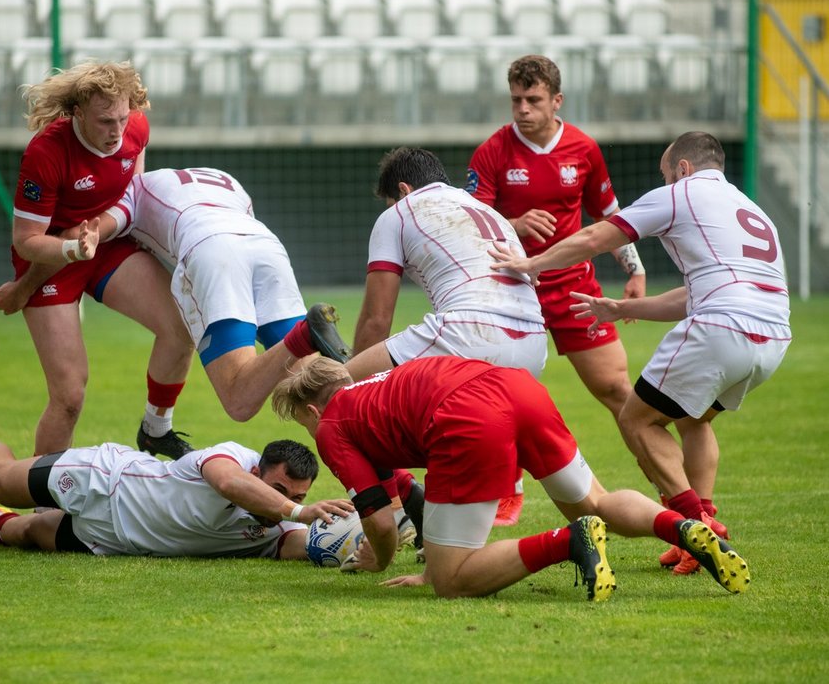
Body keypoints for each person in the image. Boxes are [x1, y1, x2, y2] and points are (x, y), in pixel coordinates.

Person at [489, 131, 792, 574]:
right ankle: (699, 522)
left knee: (636, 418)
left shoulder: (683, 193)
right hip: (773, 336)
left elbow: (596, 236)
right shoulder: (750, 208)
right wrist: (621, 308)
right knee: (694, 419)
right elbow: (696, 293)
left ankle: (696, 524)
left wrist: (531, 264)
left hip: (722, 325)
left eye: (665, 174)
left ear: (683, 169)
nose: (665, 182)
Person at [271, 356, 751, 600]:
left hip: (466, 417)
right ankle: (683, 527)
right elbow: (395, 482)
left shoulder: (333, 427)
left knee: (450, 581)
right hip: (517, 387)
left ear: (313, 410)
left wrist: (377, 560)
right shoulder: (373, 388)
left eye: (304, 423)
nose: (312, 432)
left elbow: (378, 525)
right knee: (597, 502)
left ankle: (570, 542)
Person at [0, 60, 195, 460]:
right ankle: (44, 508)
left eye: (122, 117)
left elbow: (133, 192)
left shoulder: (136, 127)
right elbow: (26, 240)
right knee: (69, 397)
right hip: (52, 256)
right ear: (77, 113)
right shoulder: (45, 153)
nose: (117, 131)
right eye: (105, 121)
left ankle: (156, 430)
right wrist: (69, 251)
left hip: (107, 244)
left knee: (181, 327)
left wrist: (118, 235)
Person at [345, 146, 548, 527]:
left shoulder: (399, 214)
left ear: (403, 190)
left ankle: (387, 516)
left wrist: (358, 376)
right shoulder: (488, 212)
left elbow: (376, 319)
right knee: (443, 422)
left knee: (339, 396)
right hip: (533, 345)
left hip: (470, 331)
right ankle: (468, 506)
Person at [73, 165, 353, 422]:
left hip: (212, 251)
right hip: (267, 246)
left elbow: (105, 226)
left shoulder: (135, 187)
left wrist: (86, 240)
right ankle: (366, 426)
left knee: (239, 399)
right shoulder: (223, 178)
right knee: (311, 387)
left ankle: (306, 334)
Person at [466, 54, 646, 429]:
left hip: (572, 288)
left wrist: (635, 270)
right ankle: (508, 491)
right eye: (516, 100)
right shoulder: (492, 151)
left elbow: (609, 218)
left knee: (617, 391)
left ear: (556, 101)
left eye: (533, 100)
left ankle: (674, 489)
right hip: (511, 290)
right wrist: (514, 223)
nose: (522, 109)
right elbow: (470, 225)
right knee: (498, 402)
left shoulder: (584, 149)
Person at [0, 421, 354, 559]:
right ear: (260, 470)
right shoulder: (233, 459)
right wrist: (296, 512)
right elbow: (229, 485)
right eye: (280, 491)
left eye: (297, 497)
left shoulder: (275, 527)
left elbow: (314, 546)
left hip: (115, 539)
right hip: (103, 480)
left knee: (27, 534)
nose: (287, 505)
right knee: (0, 483)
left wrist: (360, 548)